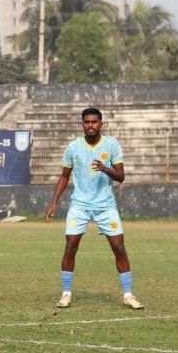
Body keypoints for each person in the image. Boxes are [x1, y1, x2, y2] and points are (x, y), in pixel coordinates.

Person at [45, 107, 143, 310]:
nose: (90, 125)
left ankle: (128, 294)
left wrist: (105, 168)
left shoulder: (111, 144)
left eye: (94, 122)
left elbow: (121, 176)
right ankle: (66, 293)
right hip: (79, 204)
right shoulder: (73, 147)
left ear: (101, 124)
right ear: (82, 124)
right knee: (70, 245)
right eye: (87, 122)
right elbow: (64, 176)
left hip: (105, 205)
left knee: (119, 248)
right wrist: (54, 201)